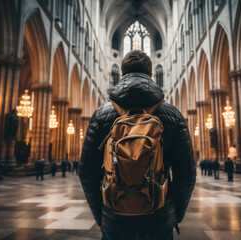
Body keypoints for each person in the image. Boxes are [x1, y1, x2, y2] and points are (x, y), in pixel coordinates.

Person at [79, 50, 196, 240]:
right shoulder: (173, 114)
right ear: (151, 75)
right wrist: (176, 214)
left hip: (114, 218)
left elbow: (86, 172)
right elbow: (187, 173)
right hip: (159, 218)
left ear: (122, 74)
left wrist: (100, 218)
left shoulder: (101, 115)